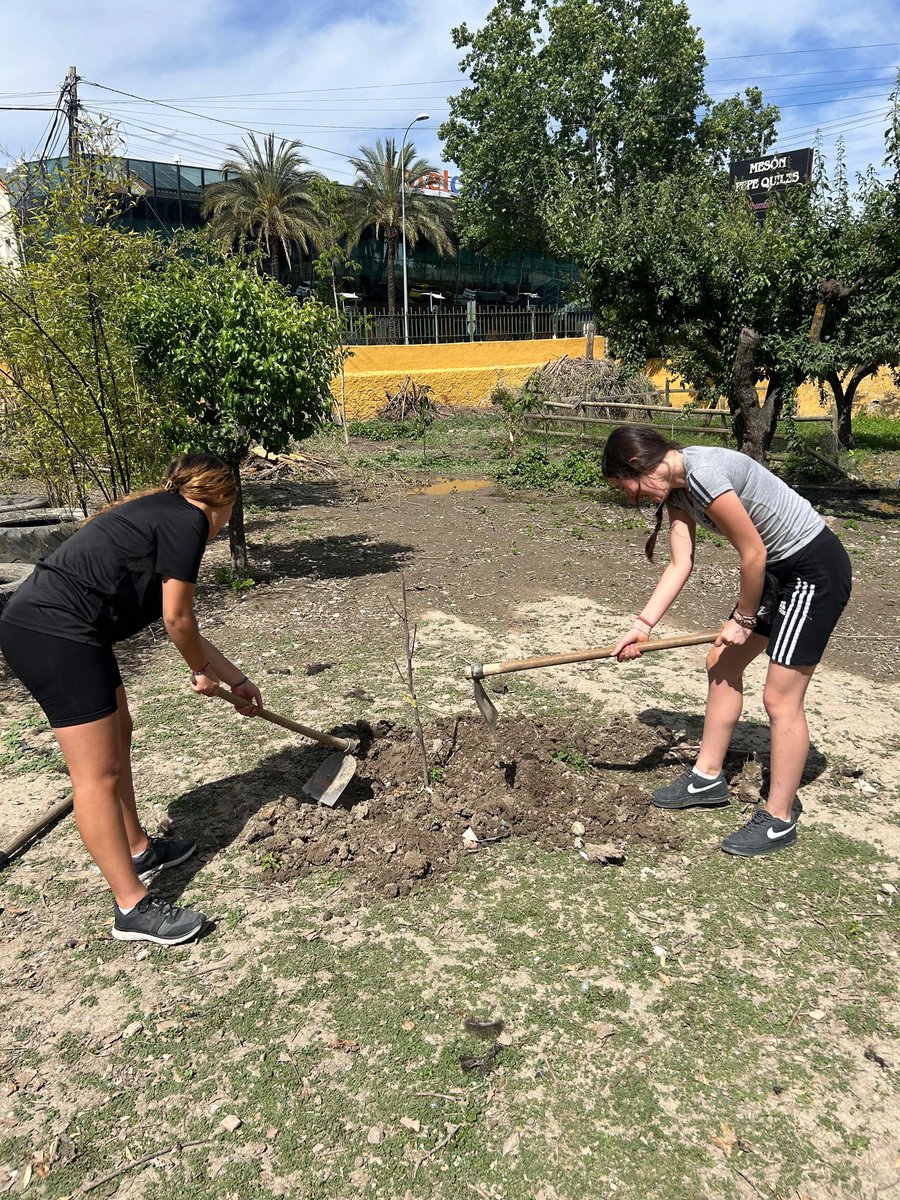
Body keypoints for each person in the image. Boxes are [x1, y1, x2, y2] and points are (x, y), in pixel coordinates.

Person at [0, 453, 263, 944]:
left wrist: (235, 679)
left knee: (120, 731)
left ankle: (139, 847)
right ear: (221, 500)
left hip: (70, 631)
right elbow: (178, 620)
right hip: (52, 633)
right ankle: (131, 906)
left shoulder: (165, 510)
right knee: (96, 776)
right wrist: (201, 673)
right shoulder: (189, 520)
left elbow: (185, 627)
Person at [602, 426, 851, 857]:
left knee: (780, 698)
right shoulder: (677, 490)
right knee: (722, 663)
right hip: (776, 571)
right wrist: (643, 626)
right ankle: (707, 777)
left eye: (623, 485)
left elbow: (752, 551)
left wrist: (744, 617)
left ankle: (778, 818)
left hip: (813, 569)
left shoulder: (703, 473)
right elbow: (681, 564)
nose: (629, 496)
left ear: (638, 466)